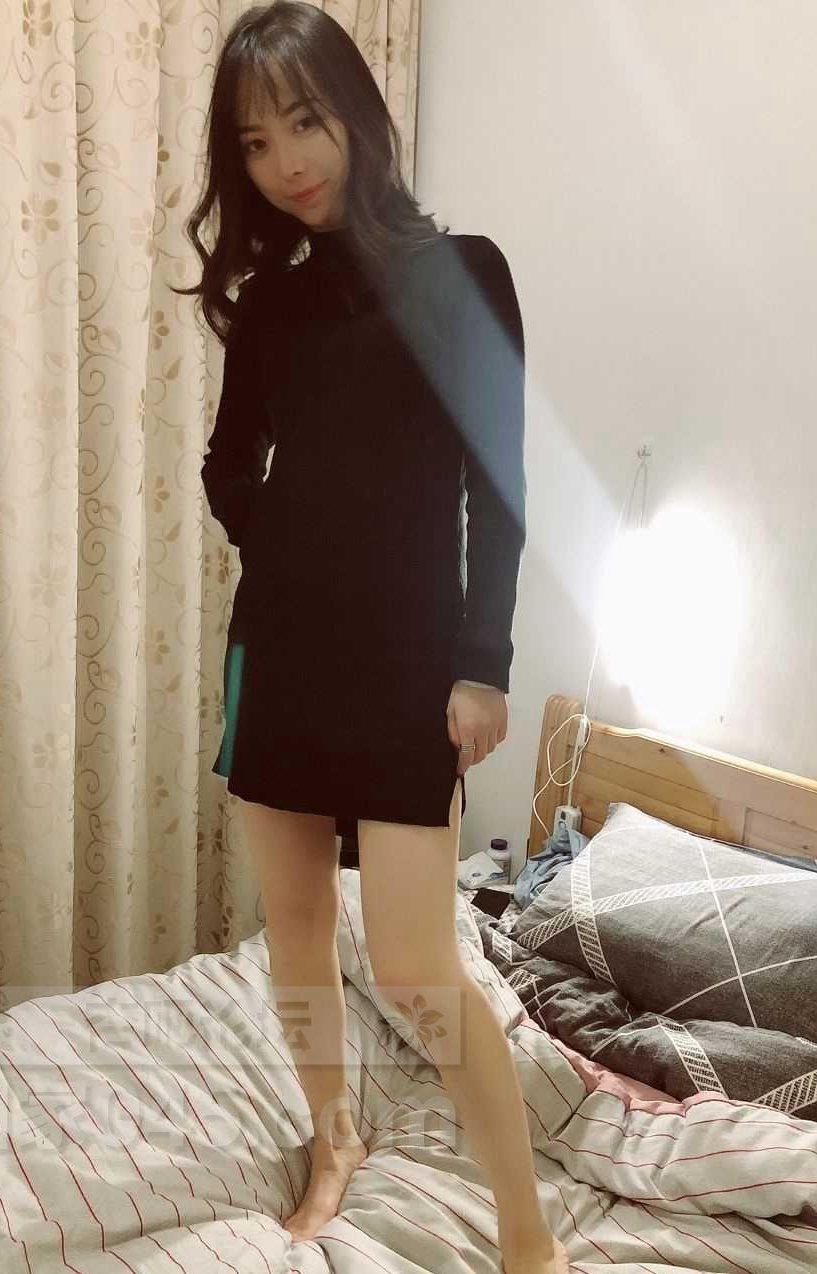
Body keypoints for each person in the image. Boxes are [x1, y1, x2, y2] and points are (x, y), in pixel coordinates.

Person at [176, 4, 567, 1271]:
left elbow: (497, 485)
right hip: (279, 654)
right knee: (294, 931)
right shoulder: (271, 303)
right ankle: (333, 1134)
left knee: (412, 967)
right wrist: (292, 542)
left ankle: (526, 1234)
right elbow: (226, 465)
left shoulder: (466, 273)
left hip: (408, 667)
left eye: (304, 121)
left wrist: (481, 662)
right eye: (254, 142)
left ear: (356, 111)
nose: (285, 160)